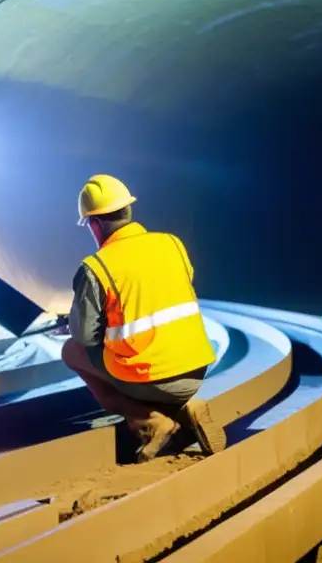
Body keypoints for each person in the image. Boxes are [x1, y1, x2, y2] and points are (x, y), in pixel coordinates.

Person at [61, 174, 226, 462]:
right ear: (127, 211)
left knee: (72, 351)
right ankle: (186, 407)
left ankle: (149, 421)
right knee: (143, 358)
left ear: (95, 223)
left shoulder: (96, 267)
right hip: (197, 370)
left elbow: (85, 337)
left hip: (152, 377)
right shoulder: (172, 243)